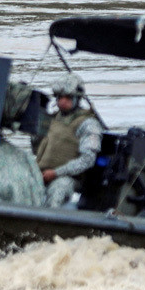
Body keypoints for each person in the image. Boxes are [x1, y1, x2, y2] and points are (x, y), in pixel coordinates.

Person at [35, 73, 104, 208]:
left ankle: (49, 224)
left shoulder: (88, 124)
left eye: (67, 98)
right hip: (42, 173)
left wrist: (56, 173)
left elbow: (87, 160)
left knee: (58, 190)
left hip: (69, 178)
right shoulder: (52, 119)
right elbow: (38, 150)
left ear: (77, 99)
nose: (62, 101)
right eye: (60, 97)